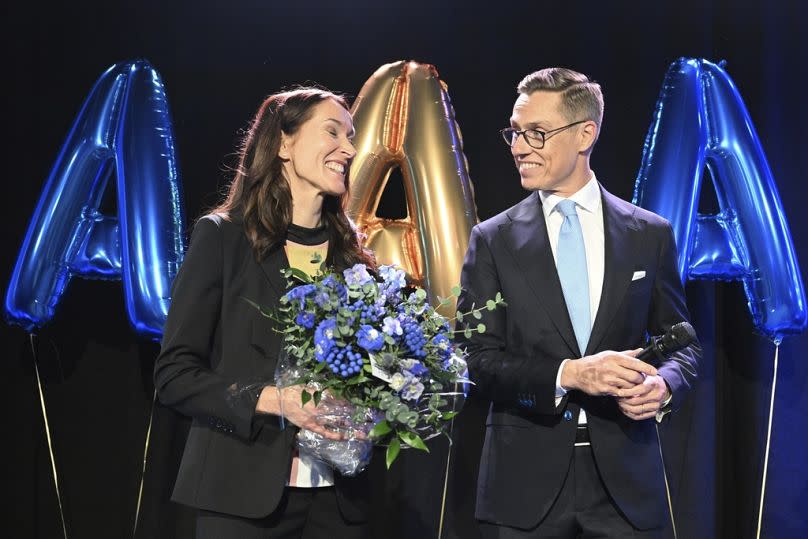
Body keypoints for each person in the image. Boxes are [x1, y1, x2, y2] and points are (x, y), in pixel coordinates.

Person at [457, 68, 701, 538]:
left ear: (585, 133)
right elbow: (473, 359)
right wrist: (570, 373)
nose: (519, 146)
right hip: (523, 488)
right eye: (515, 132)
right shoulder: (492, 240)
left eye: (536, 133)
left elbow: (684, 343)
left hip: (627, 485)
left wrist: (663, 387)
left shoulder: (649, 234)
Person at [154, 88, 377, 538]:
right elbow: (174, 375)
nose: (349, 149)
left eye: (351, 137)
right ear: (284, 143)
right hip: (238, 499)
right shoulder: (223, 238)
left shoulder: (355, 259)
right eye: (332, 131)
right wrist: (276, 400)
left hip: (340, 505)